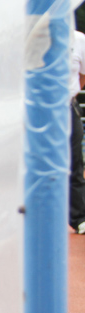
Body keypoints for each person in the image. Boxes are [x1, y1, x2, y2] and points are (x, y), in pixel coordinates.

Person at [70, 30, 85, 234]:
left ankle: (79, 218)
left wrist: (70, 92)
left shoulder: (79, 39)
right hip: (38, 111)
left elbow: (83, 75)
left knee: (75, 163)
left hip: (67, 108)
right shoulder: (35, 36)